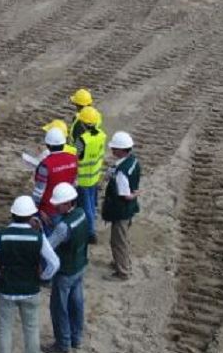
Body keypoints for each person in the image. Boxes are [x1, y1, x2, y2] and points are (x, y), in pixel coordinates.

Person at [0, 195, 59, 353]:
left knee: (5, 329)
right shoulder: (38, 237)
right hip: (30, 289)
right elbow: (54, 263)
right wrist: (43, 277)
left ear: (13, 214)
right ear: (31, 215)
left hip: (6, 289)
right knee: (31, 329)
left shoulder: (2, 235)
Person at [42, 184, 88, 353]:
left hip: (65, 271)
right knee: (77, 303)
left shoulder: (63, 227)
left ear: (69, 203)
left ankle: (63, 344)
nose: (55, 206)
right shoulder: (81, 213)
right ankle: (76, 338)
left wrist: (39, 233)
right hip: (80, 265)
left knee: (59, 308)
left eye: (59, 204)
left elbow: (48, 246)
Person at [103, 131, 141, 280]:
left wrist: (135, 194)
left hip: (121, 211)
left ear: (121, 150)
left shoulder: (121, 173)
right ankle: (121, 262)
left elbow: (125, 195)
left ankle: (122, 272)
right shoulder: (133, 161)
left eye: (114, 148)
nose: (112, 150)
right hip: (129, 210)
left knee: (118, 242)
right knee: (122, 239)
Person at [72, 106, 107, 242]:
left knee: (86, 207)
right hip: (95, 175)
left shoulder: (82, 140)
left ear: (83, 123)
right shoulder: (101, 135)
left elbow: (76, 156)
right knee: (92, 204)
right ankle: (91, 227)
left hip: (83, 179)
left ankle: (90, 233)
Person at [30, 126, 77, 225]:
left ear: (48, 145)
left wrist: (35, 211)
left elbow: (38, 192)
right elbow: (73, 184)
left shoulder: (45, 165)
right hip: (68, 207)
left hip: (49, 210)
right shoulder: (73, 159)